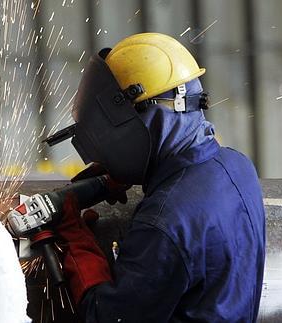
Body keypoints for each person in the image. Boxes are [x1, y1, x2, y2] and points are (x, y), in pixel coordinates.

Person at [46, 33, 266, 322]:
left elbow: (107, 316)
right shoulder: (238, 166)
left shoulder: (164, 222)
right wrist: (139, 172)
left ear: (139, 116)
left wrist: (75, 239)